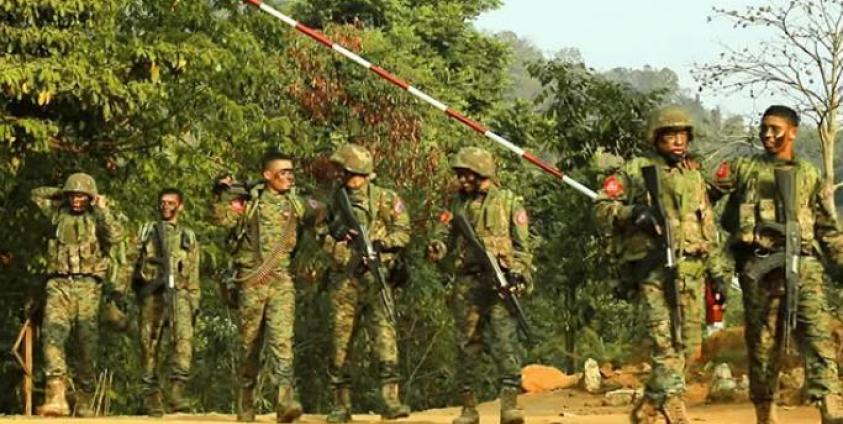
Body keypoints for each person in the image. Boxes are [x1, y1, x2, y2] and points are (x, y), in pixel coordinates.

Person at [594, 106, 728, 424]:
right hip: (653, 270)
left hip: (692, 271)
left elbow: (708, 228)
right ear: (656, 139)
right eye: (669, 135)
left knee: (688, 346)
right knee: (664, 341)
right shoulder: (637, 170)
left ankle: (650, 404)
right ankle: (674, 404)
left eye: (682, 135)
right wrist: (631, 213)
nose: (677, 142)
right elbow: (601, 207)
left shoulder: (694, 176)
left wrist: (717, 275)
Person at [710, 105, 843, 424]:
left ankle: (830, 407)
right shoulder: (743, 168)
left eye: (776, 129)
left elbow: (827, 228)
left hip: (803, 266)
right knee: (762, 345)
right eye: (764, 128)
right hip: (759, 270)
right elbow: (703, 196)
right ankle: (766, 413)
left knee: (817, 336)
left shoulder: (808, 174)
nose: (768, 135)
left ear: (793, 132)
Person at [211, 151, 324, 423]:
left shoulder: (295, 204)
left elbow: (320, 209)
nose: (288, 176)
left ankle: (285, 400)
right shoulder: (249, 203)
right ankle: (245, 399)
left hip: (281, 281)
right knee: (250, 345)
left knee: (282, 341)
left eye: (290, 172)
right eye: (282, 172)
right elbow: (221, 219)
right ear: (267, 175)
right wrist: (221, 193)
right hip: (252, 280)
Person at [427, 146, 532, 424]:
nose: (461, 180)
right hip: (468, 282)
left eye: (466, 174)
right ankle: (468, 407)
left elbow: (523, 249)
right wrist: (436, 247)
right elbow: (443, 234)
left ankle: (509, 404)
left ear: (481, 172)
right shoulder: (456, 204)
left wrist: (518, 273)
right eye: (460, 175)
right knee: (466, 344)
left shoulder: (509, 202)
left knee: (504, 340)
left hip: (501, 282)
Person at [323, 143, 411, 423]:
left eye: (345, 171)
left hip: (377, 278)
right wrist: (343, 251)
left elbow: (403, 231)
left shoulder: (386, 199)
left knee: (385, 339)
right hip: (345, 281)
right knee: (340, 343)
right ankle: (341, 404)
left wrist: (382, 244)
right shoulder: (333, 201)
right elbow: (319, 233)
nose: (342, 176)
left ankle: (390, 400)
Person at [31, 172, 125, 417]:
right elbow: (36, 194)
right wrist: (63, 191)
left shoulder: (98, 218)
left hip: (88, 287)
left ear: (90, 198)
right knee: (52, 336)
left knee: (87, 344)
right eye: (73, 195)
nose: (76, 200)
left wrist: (101, 207)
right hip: (59, 283)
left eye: (82, 196)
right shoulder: (57, 214)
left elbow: (116, 236)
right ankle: (56, 396)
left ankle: (84, 398)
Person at [133, 188, 200, 416]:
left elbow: (194, 272)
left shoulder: (187, 236)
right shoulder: (147, 231)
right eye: (162, 202)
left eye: (171, 203)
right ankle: (151, 395)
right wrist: (120, 292)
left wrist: (194, 302)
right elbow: (130, 262)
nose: (166, 206)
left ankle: (176, 392)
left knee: (183, 343)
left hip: (179, 294)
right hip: (153, 293)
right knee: (149, 344)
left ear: (180, 207)